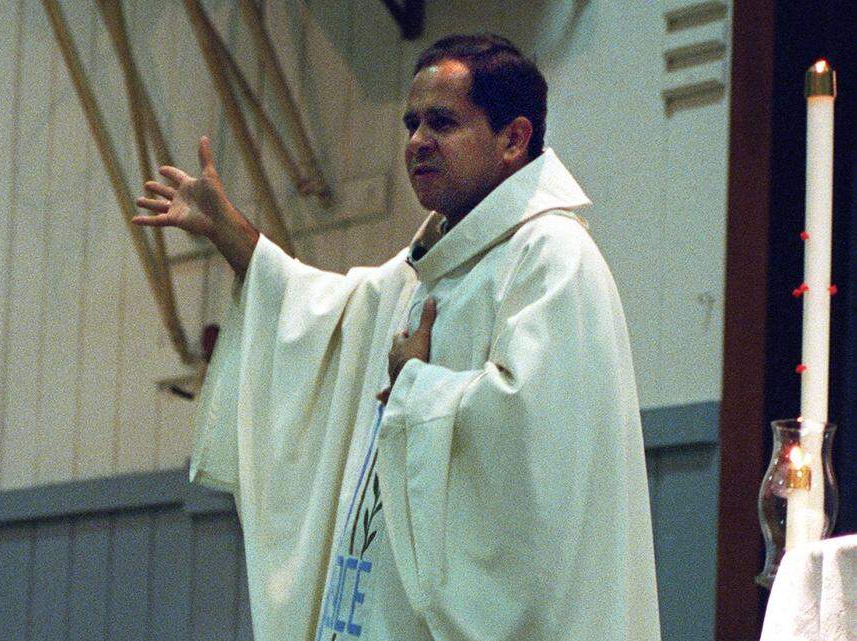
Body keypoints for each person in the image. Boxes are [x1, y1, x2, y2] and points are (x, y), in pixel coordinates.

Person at [133, 33, 660, 641]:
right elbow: (327, 322)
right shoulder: (422, 267)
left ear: (513, 138)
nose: (417, 143)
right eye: (411, 124)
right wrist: (233, 234)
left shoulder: (551, 258)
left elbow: (539, 457)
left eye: (442, 123)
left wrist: (418, 387)